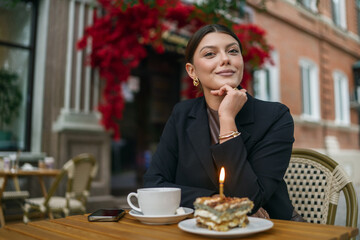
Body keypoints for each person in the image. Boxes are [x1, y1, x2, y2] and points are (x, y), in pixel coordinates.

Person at [144, 24, 304, 221]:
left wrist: (227, 118)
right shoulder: (182, 114)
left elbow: (249, 200)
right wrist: (215, 202)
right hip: (197, 228)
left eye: (233, 51)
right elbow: (153, 185)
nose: (225, 59)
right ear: (192, 71)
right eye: (210, 54)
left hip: (269, 229)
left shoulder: (275, 117)